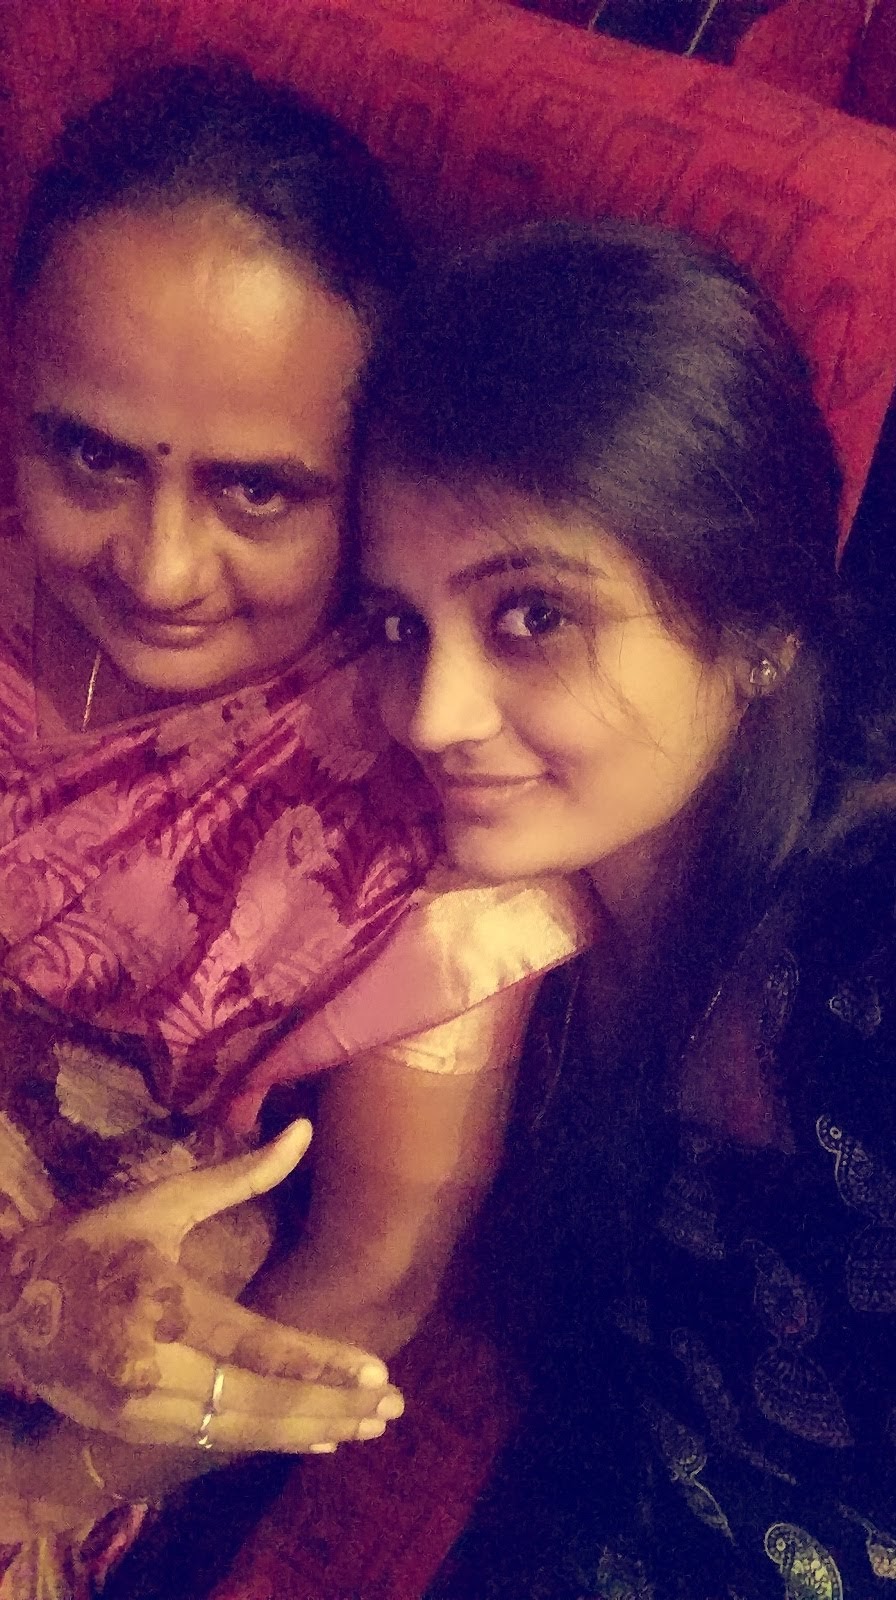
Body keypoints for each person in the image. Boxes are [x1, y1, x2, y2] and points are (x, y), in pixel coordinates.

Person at [0, 66, 588, 1597]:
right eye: (90, 455)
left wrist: (39, 1483)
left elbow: (370, 1281)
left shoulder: (428, 806)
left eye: (259, 491)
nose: (159, 568)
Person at [356, 220, 896, 1599]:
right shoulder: (480, 930)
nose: (431, 715)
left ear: (761, 628)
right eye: (400, 623)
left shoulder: (868, 951)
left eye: (534, 615)